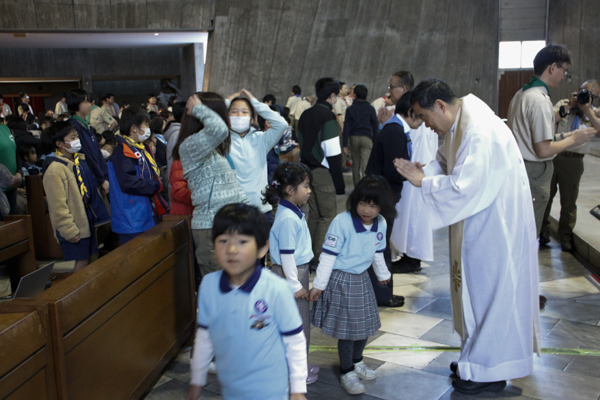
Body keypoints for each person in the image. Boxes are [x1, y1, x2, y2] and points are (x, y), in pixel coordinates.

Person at [394, 79, 540, 395]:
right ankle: (475, 360)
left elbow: (465, 186)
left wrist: (424, 183)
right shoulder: (463, 120)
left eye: (425, 117)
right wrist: (426, 170)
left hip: (495, 229)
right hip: (480, 221)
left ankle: (492, 370)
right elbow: (449, 162)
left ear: (440, 106)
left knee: (491, 295)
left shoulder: (480, 132)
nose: (426, 127)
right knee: (477, 294)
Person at [185, 203, 307, 400]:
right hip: (230, 389)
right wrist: (197, 382)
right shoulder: (209, 285)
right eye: (223, 240)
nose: (231, 249)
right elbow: (205, 336)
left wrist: (298, 389)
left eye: (242, 241)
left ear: (262, 248)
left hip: (272, 391)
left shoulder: (277, 289)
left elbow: (294, 340)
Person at [309, 176, 393, 395]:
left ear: (381, 207)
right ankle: (346, 371)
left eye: (373, 206)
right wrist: (318, 285)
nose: (367, 210)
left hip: (362, 279)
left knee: (364, 326)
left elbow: (377, 251)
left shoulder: (381, 222)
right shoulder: (342, 221)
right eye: (363, 203)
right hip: (341, 279)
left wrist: (382, 274)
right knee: (348, 331)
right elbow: (328, 256)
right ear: (355, 200)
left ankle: (357, 362)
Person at [507, 45, 596, 239]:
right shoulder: (539, 100)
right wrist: (573, 138)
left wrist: (565, 137)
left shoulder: (521, 93)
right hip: (534, 172)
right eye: (564, 70)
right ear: (552, 68)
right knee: (528, 235)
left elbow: (535, 138)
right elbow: (543, 149)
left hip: (521, 167)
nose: (564, 76)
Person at [174, 92, 248, 277]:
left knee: (234, 288)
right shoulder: (190, 146)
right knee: (221, 292)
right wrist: (198, 108)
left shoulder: (215, 151)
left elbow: (234, 188)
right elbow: (219, 129)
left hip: (229, 226)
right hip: (210, 229)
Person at [262, 162, 320, 384]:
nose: (309, 190)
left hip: (295, 272)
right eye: (305, 186)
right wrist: (295, 285)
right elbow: (287, 255)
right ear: (289, 189)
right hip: (290, 275)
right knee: (295, 324)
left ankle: (299, 364)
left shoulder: (291, 212)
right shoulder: (287, 218)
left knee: (300, 323)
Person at [41, 122, 110, 272]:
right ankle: (75, 293)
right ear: (59, 143)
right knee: (82, 261)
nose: (76, 140)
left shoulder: (79, 160)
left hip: (88, 220)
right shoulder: (54, 169)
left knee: (91, 259)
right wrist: (68, 229)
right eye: (72, 137)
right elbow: (57, 205)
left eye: (77, 136)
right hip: (74, 225)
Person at [541, 79, 600, 251]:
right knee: (546, 196)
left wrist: (587, 110)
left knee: (569, 201)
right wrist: (569, 107)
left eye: (592, 96)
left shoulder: (594, 112)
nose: (587, 97)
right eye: (584, 92)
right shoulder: (564, 104)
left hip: (574, 161)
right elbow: (550, 119)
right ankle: (542, 231)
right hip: (554, 155)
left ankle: (565, 236)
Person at [297, 77, 345, 265]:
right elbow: (332, 151)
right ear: (332, 95)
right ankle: (319, 258)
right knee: (327, 215)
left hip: (306, 170)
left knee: (314, 215)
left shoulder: (306, 114)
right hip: (322, 171)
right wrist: (338, 180)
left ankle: (308, 256)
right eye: (337, 96)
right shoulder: (328, 116)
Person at [390, 94, 439, 272]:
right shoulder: (421, 117)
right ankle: (409, 254)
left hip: (416, 172)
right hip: (418, 171)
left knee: (414, 216)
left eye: (393, 86)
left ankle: (412, 257)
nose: (390, 91)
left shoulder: (415, 119)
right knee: (409, 215)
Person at [108, 105, 169, 245]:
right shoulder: (122, 152)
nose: (148, 129)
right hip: (131, 218)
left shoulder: (142, 148)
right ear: (134, 128)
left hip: (145, 213)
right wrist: (156, 184)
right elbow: (129, 183)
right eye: (145, 125)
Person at [227, 89, 288, 223]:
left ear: (252, 118)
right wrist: (227, 101)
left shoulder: (261, 139)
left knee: (265, 244)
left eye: (244, 112)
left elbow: (282, 124)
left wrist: (255, 103)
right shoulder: (222, 140)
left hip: (261, 209)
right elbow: (208, 121)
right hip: (233, 211)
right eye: (233, 111)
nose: (239, 115)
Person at [66, 89, 110, 195]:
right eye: (85, 101)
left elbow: (97, 153)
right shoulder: (73, 127)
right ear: (76, 103)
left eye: (89, 101)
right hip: (87, 177)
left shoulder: (87, 126)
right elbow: (86, 155)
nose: (89, 104)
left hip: (98, 177)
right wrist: (101, 179)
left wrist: (105, 176)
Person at [343, 84, 379, 186]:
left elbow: (346, 127)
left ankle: (357, 187)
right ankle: (365, 187)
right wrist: (375, 141)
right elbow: (375, 126)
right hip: (366, 137)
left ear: (355, 94)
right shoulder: (370, 108)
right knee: (366, 164)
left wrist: (345, 144)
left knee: (355, 163)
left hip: (353, 137)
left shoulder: (350, 109)